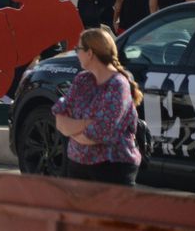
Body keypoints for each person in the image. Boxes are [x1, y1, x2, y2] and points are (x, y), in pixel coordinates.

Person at [52, 28, 143, 185]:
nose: (76, 53)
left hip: (112, 169)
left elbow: (98, 133)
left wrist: (72, 131)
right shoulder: (82, 79)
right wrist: (86, 124)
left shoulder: (118, 85)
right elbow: (60, 119)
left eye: (78, 49)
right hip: (77, 166)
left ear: (90, 53)